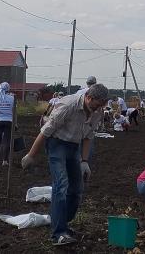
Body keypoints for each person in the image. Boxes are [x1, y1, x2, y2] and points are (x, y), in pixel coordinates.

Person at [21, 83, 108, 246]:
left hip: (74, 146)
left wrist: (84, 161)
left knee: (76, 189)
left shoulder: (98, 111)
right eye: (96, 105)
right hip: (56, 144)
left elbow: (89, 135)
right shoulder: (68, 105)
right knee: (61, 185)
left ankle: (62, 223)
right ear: (89, 98)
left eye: (101, 106)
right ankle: (58, 233)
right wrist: (30, 155)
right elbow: (46, 130)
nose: (97, 109)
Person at [0, 82, 16, 166]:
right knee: (6, 141)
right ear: (8, 89)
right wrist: (15, 124)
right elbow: (14, 112)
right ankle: (5, 161)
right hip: (9, 122)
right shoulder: (12, 99)